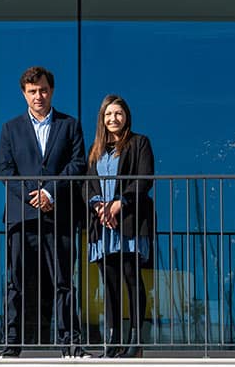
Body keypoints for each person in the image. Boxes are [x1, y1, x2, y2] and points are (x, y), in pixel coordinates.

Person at [0, 66, 90, 358]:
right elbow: (5, 171)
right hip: (22, 218)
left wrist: (50, 192)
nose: (39, 96)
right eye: (33, 91)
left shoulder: (69, 125)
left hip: (59, 216)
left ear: (52, 91)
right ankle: (12, 344)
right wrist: (33, 197)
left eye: (43, 90)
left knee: (64, 281)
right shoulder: (10, 128)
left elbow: (78, 164)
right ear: (24, 94)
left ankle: (71, 344)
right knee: (17, 284)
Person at [83, 95, 154, 358]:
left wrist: (119, 203)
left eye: (118, 114)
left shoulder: (139, 143)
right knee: (109, 283)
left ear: (126, 116)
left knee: (132, 279)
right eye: (108, 115)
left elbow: (144, 179)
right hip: (103, 226)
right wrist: (99, 206)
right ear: (102, 119)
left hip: (129, 222)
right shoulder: (96, 150)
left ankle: (136, 341)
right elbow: (87, 185)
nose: (113, 119)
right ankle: (113, 343)